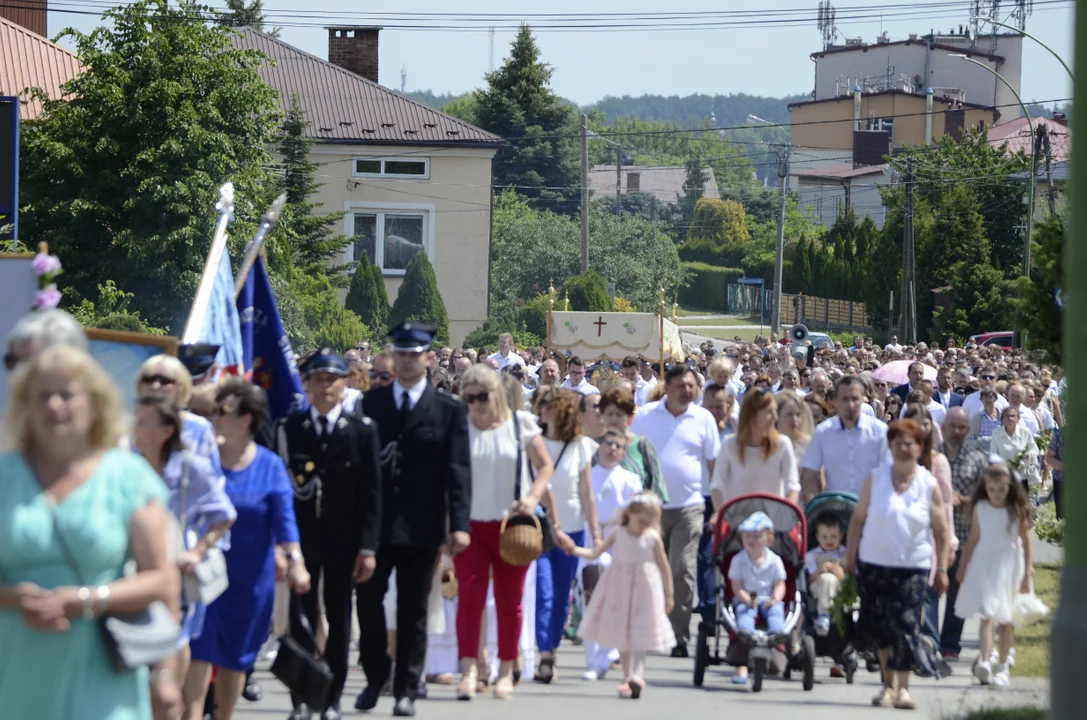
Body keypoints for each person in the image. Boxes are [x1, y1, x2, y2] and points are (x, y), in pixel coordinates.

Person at [0, 345, 180, 720]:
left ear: (94, 402)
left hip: (102, 672)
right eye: (42, 396)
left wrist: (85, 599)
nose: (54, 406)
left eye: (66, 394)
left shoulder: (127, 476)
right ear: (25, 406)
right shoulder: (5, 476)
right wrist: (15, 598)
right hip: (15, 670)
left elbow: (163, 582)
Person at [357, 323, 471, 717]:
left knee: (413, 610)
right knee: (368, 605)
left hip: (422, 525)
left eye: (414, 353)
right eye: (400, 353)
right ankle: (375, 676)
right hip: (374, 523)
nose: (406, 360)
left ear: (428, 358)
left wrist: (459, 524)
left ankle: (407, 686)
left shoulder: (448, 409)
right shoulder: (370, 405)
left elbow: (458, 471)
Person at [187, 380, 310, 720]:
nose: (213, 417)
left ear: (246, 419)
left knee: (234, 660)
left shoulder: (269, 466)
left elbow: (285, 522)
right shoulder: (200, 461)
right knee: (198, 653)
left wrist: (295, 561)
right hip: (203, 577)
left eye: (221, 411)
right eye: (211, 410)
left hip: (251, 583)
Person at [273, 349, 381, 720]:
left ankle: (331, 697)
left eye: (332, 379)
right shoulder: (289, 430)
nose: (325, 386)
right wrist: (280, 545)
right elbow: (280, 492)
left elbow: (371, 494)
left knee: (339, 621)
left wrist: (368, 547)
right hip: (300, 541)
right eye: (317, 379)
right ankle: (303, 697)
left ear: (345, 383)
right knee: (300, 621)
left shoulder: (362, 430)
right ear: (305, 383)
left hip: (344, 541)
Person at [452, 363, 555, 701]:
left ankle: (506, 669)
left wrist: (531, 498)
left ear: (497, 393)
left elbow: (544, 467)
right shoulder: (460, 428)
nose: (476, 404)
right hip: (470, 528)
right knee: (470, 598)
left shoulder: (519, 424)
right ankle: (468, 669)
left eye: (483, 396)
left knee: (509, 603)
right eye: (469, 398)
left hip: (511, 527)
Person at [130, 396, 237, 718]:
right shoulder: (126, 465)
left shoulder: (192, 467)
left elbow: (224, 515)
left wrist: (198, 550)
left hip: (177, 577)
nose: (134, 427)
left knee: (172, 648)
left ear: (165, 431)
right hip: (132, 572)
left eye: (142, 421)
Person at [845, 419, 952, 711]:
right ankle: (886, 687)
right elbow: (857, 521)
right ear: (890, 447)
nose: (904, 448)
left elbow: (941, 532)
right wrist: (849, 561)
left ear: (920, 448)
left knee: (905, 625)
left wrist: (941, 569)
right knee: (880, 628)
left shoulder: (928, 484)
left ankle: (903, 689)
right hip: (873, 564)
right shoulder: (875, 478)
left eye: (910, 443)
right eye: (898, 443)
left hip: (913, 567)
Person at [630, 365, 721, 658]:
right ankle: (646, 630)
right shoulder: (645, 416)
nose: (687, 391)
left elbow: (714, 465)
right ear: (666, 386)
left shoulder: (703, 418)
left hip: (690, 506)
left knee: (682, 568)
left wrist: (718, 508)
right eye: (681, 385)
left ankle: (678, 635)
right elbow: (632, 457)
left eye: (692, 386)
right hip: (650, 507)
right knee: (648, 569)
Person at [574, 492, 675, 699]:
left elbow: (664, 567)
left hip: (646, 590)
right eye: (640, 521)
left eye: (649, 522)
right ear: (629, 514)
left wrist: (669, 594)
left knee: (640, 633)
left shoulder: (652, 538)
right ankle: (626, 676)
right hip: (620, 588)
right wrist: (574, 549)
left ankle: (638, 675)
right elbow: (595, 553)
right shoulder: (618, 533)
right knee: (623, 633)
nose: (643, 526)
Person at [534, 390, 600, 683]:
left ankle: (552, 649)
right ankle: (544, 653)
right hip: (538, 526)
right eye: (543, 406)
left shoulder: (583, 446)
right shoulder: (533, 443)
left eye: (551, 407)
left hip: (572, 527)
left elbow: (586, 492)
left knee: (562, 595)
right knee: (543, 592)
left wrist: (596, 533)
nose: (545, 411)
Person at [953, 464, 1034, 688]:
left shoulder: (1016, 509)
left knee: (1006, 619)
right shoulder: (980, 507)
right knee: (986, 614)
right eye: (991, 489)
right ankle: (985, 660)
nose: (996, 494)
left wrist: (1027, 573)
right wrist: (963, 565)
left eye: (1001, 489)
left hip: (1010, 563)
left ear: (1010, 488)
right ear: (985, 488)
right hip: (985, 562)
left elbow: (1026, 542)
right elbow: (973, 539)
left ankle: (1003, 667)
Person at [580, 429, 643, 681]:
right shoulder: (588, 476)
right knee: (590, 599)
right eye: (608, 444)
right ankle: (593, 660)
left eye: (618, 446)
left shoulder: (630, 479)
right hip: (591, 539)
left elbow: (635, 512)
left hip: (618, 541)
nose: (612, 449)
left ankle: (608, 653)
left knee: (615, 602)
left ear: (624, 451)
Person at [901, 403, 958, 650]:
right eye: (914, 423)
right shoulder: (895, 459)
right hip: (903, 535)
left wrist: (950, 542)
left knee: (929, 592)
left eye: (925, 423)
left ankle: (930, 646)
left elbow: (946, 505)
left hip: (932, 536)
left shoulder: (938, 461)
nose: (920, 428)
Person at [938, 408, 990, 660]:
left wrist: (965, 500)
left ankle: (949, 644)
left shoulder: (977, 457)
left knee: (956, 592)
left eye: (962, 427)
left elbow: (988, 495)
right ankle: (925, 640)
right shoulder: (931, 454)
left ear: (968, 430)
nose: (957, 432)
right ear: (944, 426)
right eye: (953, 426)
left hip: (963, 534)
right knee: (927, 591)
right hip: (933, 536)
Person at [801, 377, 890, 500]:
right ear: (837, 401)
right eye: (845, 399)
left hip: (872, 510)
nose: (850, 404)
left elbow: (889, 473)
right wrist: (816, 510)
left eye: (855, 398)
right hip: (833, 512)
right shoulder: (823, 432)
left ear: (862, 400)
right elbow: (809, 475)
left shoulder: (880, 431)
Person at [710, 389, 800, 510]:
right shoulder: (729, 445)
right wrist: (719, 514)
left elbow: (792, 486)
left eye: (775, 411)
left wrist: (788, 515)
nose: (775, 417)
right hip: (736, 522)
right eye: (769, 412)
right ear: (752, 414)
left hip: (772, 523)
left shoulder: (783, 444)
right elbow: (717, 485)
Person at [136, 355, 223, 477]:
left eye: (164, 381)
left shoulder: (199, 428)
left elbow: (213, 479)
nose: (155, 386)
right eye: (148, 379)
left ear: (180, 387)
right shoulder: (127, 426)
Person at [728, 511, 787, 685]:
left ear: (769, 539)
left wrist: (776, 598)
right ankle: (746, 632)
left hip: (768, 597)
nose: (751, 540)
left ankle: (777, 633)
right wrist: (745, 598)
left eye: (756, 536)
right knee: (744, 611)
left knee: (776, 611)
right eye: (748, 536)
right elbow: (736, 585)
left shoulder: (775, 560)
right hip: (748, 596)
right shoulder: (739, 560)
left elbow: (779, 583)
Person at [596, 387, 668, 501]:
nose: (614, 419)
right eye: (609, 414)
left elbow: (657, 487)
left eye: (619, 414)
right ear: (602, 415)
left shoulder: (642, 445)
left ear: (629, 416)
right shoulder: (594, 446)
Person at [807, 516, 847, 637]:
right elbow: (809, 579)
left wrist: (842, 575)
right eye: (824, 537)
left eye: (833, 536)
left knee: (834, 579)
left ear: (841, 536)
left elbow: (854, 575)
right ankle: (824, 615)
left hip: (840, 587)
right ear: (817, 537)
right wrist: (820, 571)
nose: (829, 540)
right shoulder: (812, 555)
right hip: (819, 586)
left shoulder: (845, 553)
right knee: (827, 579)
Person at [990, 407, 1039, 490]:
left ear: (1018, 418)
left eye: (1013, 416)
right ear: (1002, 419)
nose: (1010, 418)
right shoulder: (996, 433)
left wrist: (1029, 454)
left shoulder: (1025, 432)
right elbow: (992, 455)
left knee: (1022, 501)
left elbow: (1035, 450)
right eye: (1007, 416)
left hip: (1022, 476)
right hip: (1004, 476)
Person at [775, 390, 814, 460]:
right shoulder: (765, 446)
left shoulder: (809, 445)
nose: (794, 419)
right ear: (776, 415)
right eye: (789, 414)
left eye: (798, 415)